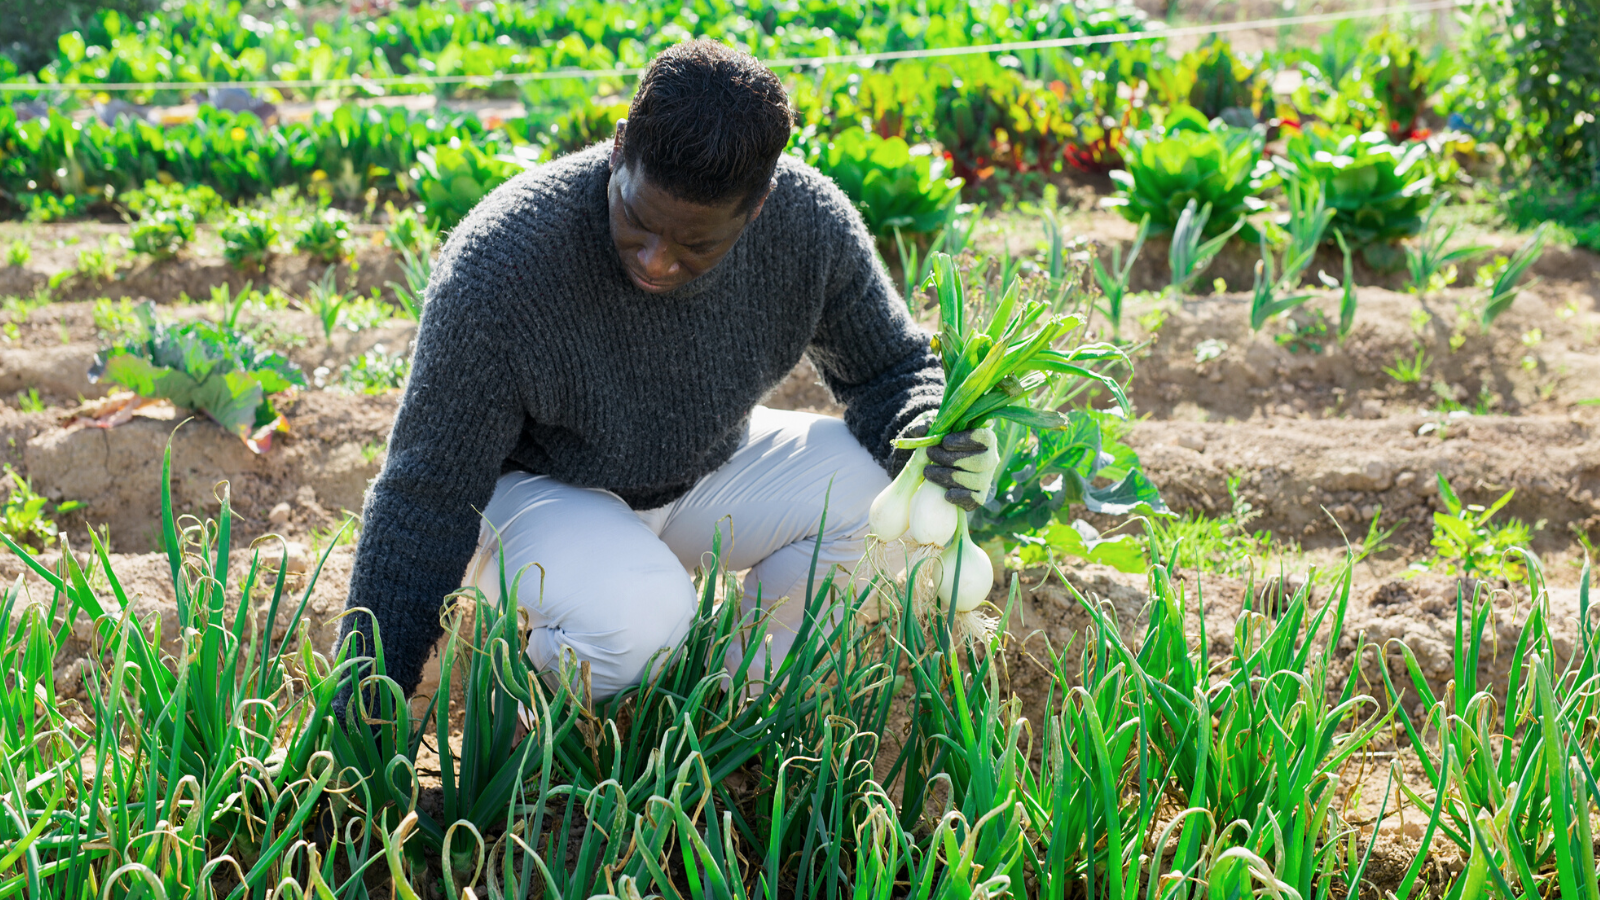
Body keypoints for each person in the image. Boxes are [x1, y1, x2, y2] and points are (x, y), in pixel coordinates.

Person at [334, 40, 992, 715]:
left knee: (883, 502)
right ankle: (520, 722)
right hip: (534, 494)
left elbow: (890, 370)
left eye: (696, 244)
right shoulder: (505, 264)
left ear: (758, 204)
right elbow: (427, 493)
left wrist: (929, 432)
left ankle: (730, 713)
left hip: (697, 468)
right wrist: (362, 708)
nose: (655, 261)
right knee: (642, 618)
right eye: (638, 222)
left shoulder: (807, 226)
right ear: (621, 149)